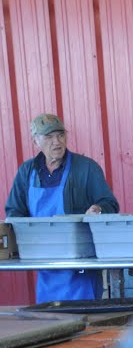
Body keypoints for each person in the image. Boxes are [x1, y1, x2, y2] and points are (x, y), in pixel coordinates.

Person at [6, 113, 120, 302]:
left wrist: (98, 210)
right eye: (49, 137)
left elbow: (110, 203)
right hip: (45, 264)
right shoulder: (27, 171)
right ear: (36, 141)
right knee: (50, 323)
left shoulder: (86, 168)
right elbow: (14, 211)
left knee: (88, 324)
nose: (56, 142)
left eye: (60, 135)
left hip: (82, 267)